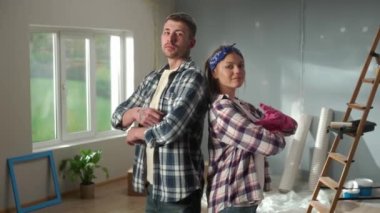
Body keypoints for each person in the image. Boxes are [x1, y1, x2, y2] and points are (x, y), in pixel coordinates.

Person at [111, 12, 208, 213]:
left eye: (178, 34)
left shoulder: (194, 79)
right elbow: (117, 116)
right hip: (152, 185)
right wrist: (137, 113)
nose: (170, 38)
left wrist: (135, 133)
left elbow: (169, 130)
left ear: (192, 42)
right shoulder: (153, 78)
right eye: (166, 32)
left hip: (179, 189)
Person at [204, 44, 297, 213]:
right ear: (214, 72)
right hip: (231, 198)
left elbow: (290, 129)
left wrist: (286, 124)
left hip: (248, 196)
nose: (237, 70)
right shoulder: (222, 109)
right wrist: (274, 132)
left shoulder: (244, 107)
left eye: (241, 65)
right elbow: (270, 145)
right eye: (229, 66)